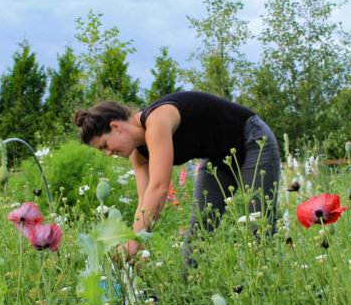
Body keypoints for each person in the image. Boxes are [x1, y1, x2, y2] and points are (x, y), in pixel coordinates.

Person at [74, 91, 280, 267]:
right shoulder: (138, 155)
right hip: (218, 158)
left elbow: (159, 188)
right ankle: (191, 298)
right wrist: (138, 245)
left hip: (251, 139)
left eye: (105, 145)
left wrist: (135, 241)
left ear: (116, 127)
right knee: (200, 229)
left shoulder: (156, 120)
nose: (108, 153)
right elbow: (144, 204)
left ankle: (267, 298)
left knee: (259, 225)